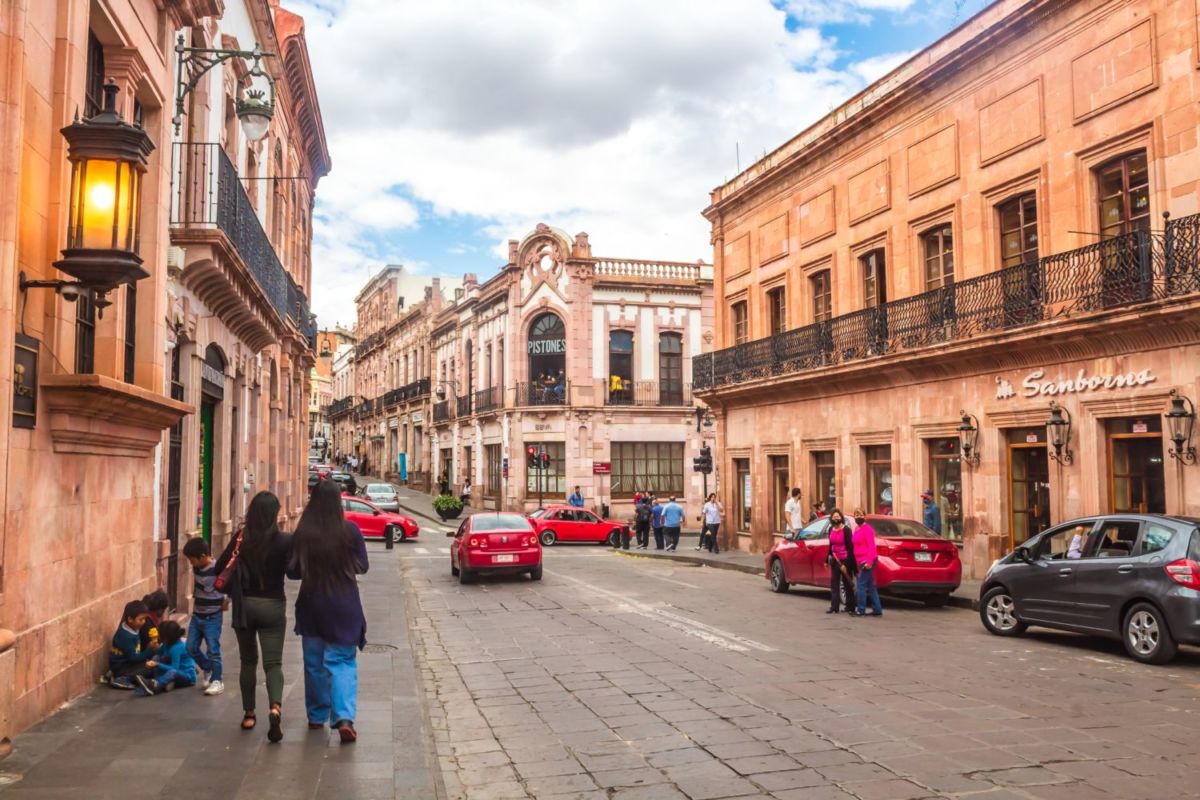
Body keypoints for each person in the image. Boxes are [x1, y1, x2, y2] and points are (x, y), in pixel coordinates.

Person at [289, 479, 369, 744]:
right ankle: (344, 718)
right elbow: (362, 566)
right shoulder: (351, 531)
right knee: (342, 662)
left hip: (313, 603)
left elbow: (292, 572)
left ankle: (316, 716)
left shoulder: (304, 532)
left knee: (314, 663)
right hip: (344, 604)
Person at [215, 491, 294, 742]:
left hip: (244, 606)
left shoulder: (241, 539)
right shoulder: (284, 541)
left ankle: (249, 714)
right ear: (273, 514)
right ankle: (275, 707)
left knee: (248, 661)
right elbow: (293, 571)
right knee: (273, 664)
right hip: (273, 606)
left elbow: (219, 569)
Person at [182, 537, 226, 696]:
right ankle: (208, 668)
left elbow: (228, 584)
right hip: (197, 615)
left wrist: (226, 599)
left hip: (213, 616)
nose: (191, 563)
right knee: (190, 647)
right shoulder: (197, 568)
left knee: (213, 649)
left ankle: (217, 680)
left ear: (202, 556)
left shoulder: (218, 568)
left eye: (192, 559)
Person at [136, 620, 197, 696]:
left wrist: (158, 665)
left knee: (172, 672)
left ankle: (156, 685)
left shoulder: (176, 649)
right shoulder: (166, 644)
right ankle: (162, 682)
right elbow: (158, 654)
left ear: (166, 637)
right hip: (173, 671)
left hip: (187, 677)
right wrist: (154, 649)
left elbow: (175, 669)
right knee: (156, 657)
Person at [108, 600, 156, 690]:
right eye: (141, 619)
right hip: (122, 668)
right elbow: (133, 658)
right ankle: (121, 679)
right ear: (130, 619)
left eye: (144, 619)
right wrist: (150, 650)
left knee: (152, 665)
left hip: (129, 663)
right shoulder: (125, 636)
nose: (144, 622)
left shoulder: (134, 628)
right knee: (149, 669)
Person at [850, 509, 883, 617]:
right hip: (860, 561)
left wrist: (868, 562)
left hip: (868, 560)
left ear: (865, 516)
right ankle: (877, 609)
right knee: (871, 585)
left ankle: (861, 610)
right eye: (856, 515)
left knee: (861, 585)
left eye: (860, 515)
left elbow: (871, 547)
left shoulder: (868, 530)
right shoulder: (856, 529)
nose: (857, 517)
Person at [827, 510, 858, 613]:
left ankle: (850, 606)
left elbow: (850, 548)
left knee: (847, 583)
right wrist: (826, 559)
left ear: (841, 518)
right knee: (834, 582)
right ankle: (834, 607)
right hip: (835, 559)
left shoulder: (846, 530)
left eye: (837, 517)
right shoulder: (831, 529)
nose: (836, 519)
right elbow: (830, 546)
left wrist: (846, 564)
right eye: (834, 517)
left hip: (846, 559)